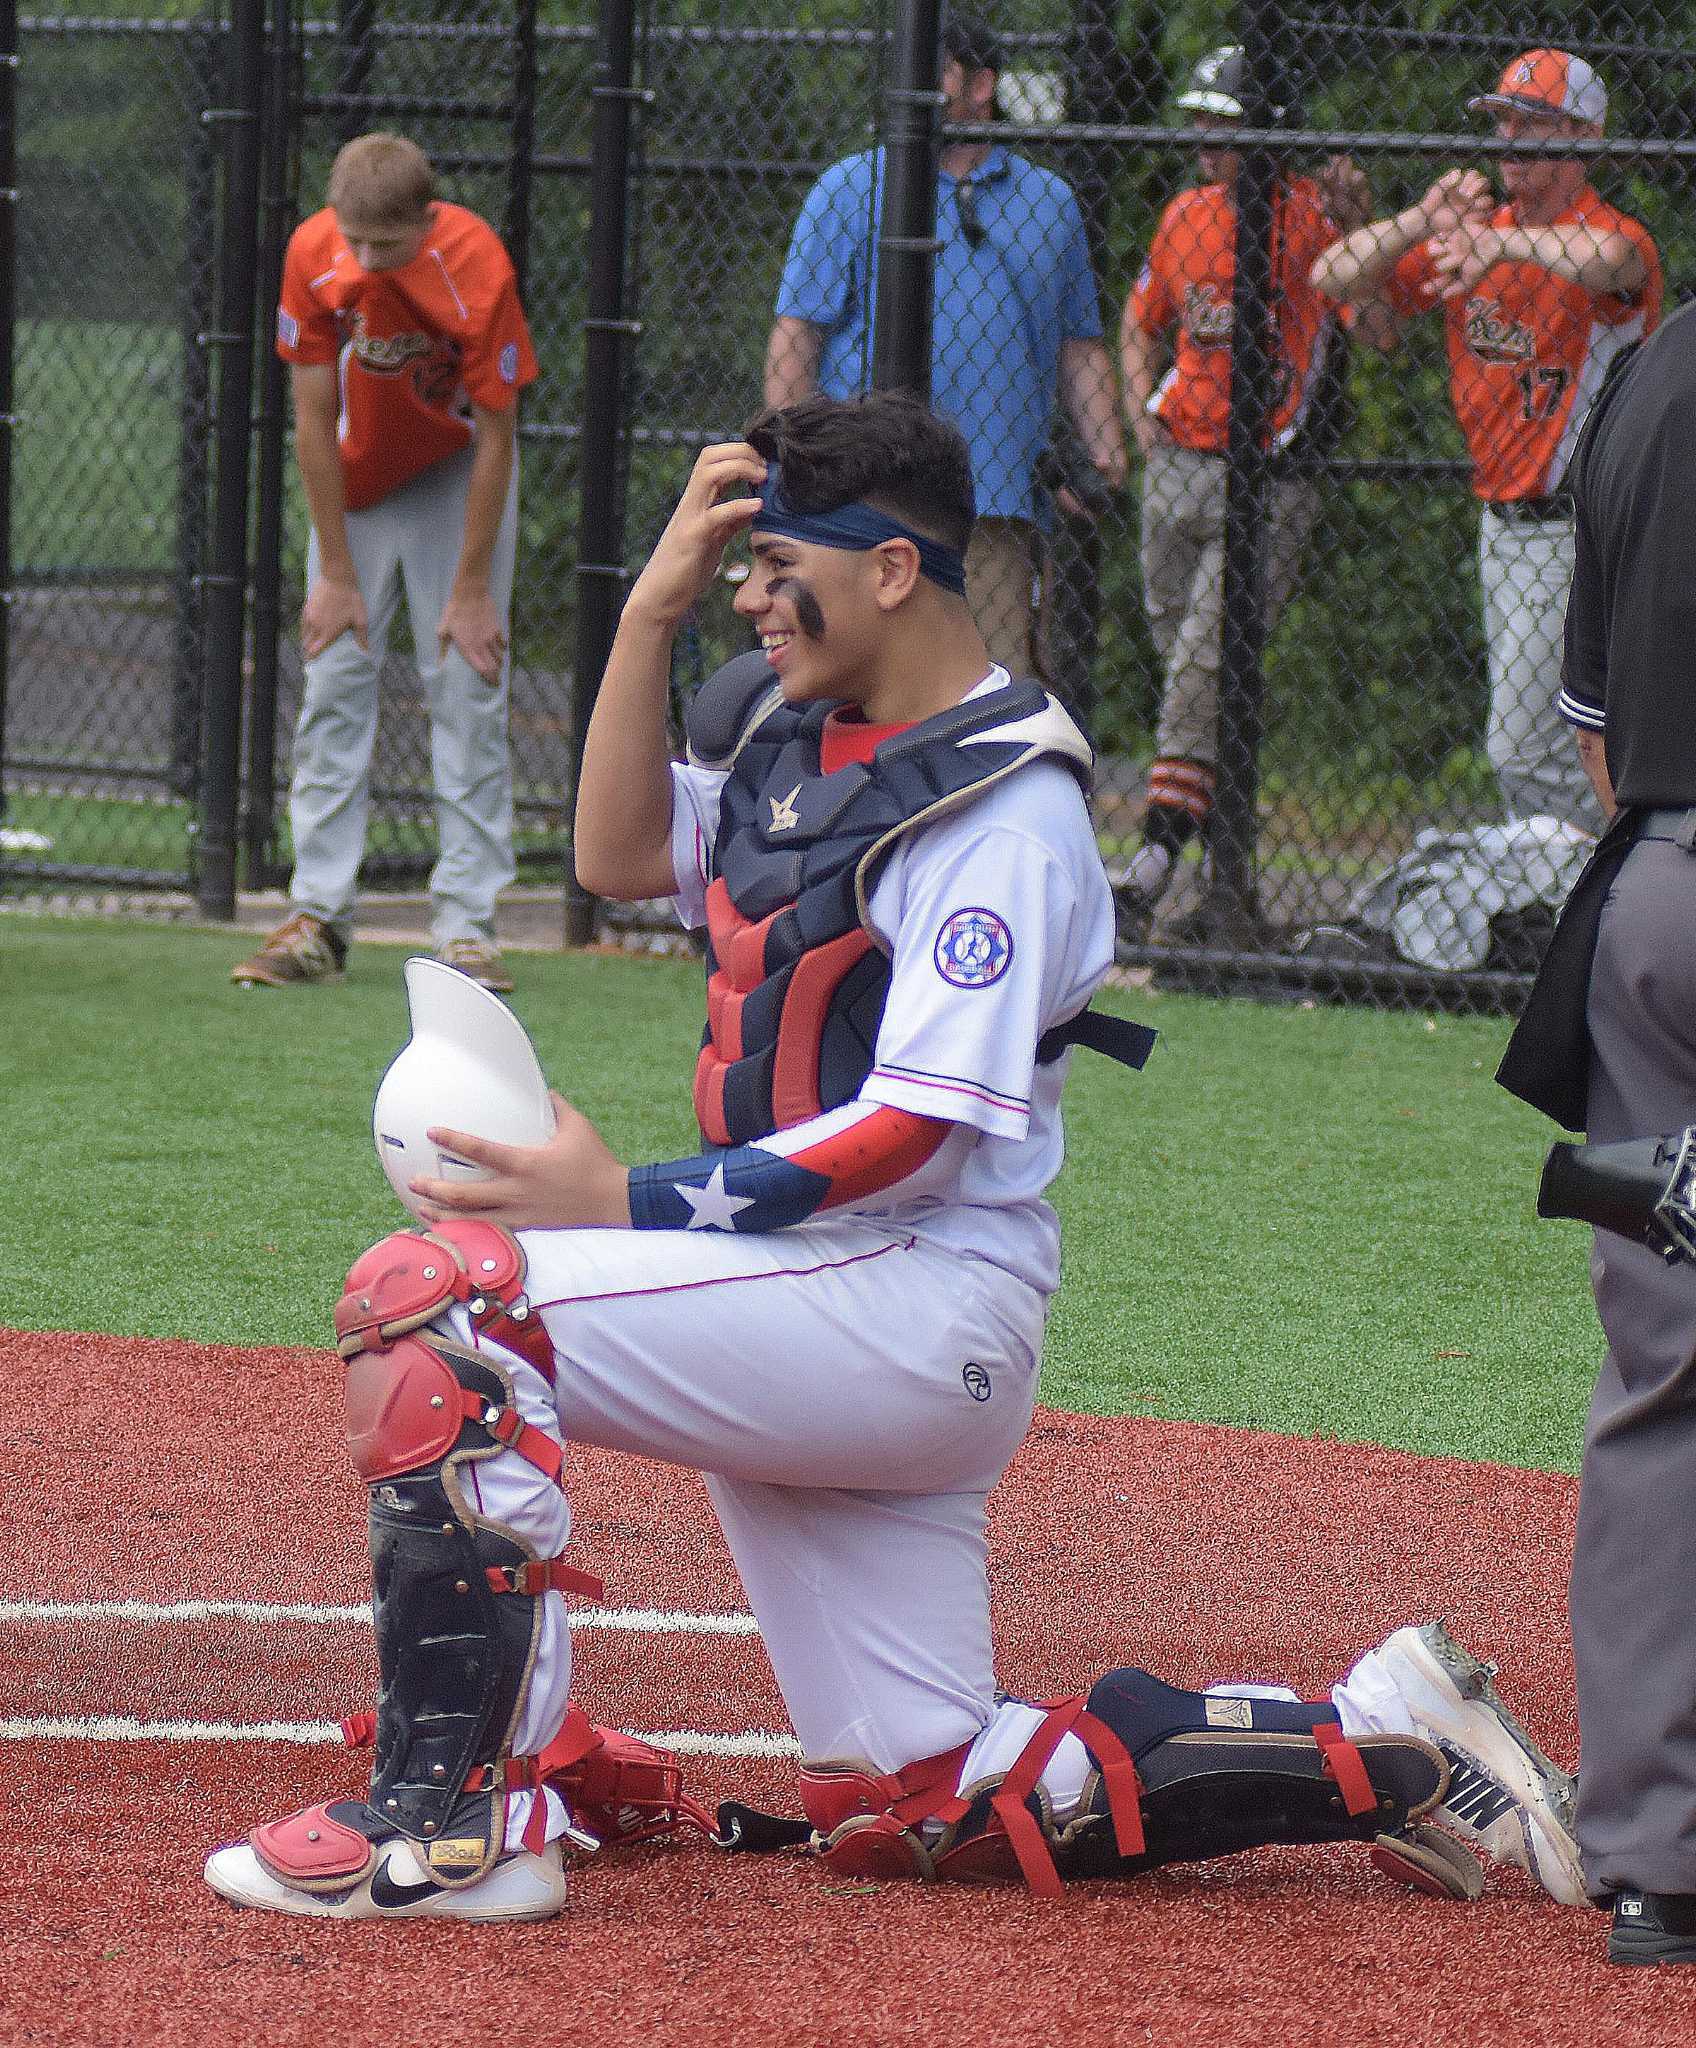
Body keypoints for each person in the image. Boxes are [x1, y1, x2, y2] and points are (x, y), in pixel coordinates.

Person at [204, 393, 1579, 1922]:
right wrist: (648, 614)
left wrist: (623, 1202)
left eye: (773, 562)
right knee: (924, 1796)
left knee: (442, 1306)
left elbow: (913, 1126)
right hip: (811, 1297)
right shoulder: (789, 734)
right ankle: (1389, 1732)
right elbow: (608, 856)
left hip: (918, 1300)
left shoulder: (1006, 806)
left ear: (893, 572)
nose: (745, 593)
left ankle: (454, 1829)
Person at [1496, 301, 1696, 1964]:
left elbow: (1594, 728)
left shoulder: (1647, 370)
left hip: (1654, 903)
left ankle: (1655, 1856)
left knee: (1665, 1376)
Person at [1311, 49, 1661, 841]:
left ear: (1582, 136)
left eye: (1530, 122)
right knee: (1552, 751)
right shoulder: (1473, 236)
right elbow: (1332, 278)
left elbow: (1619, 263)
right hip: (1500, 525)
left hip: (1576, 525)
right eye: (1500, 119)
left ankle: (1625, 878)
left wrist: (1497, 246)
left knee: (1522, 753)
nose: (1507, 137)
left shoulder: (1595, 232)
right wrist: (1419, 223)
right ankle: (1564, 915)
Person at [232, 132, 538, 996]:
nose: (365, 258)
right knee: (333, 681)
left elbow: (498, 437)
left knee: (466, 681)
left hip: (453, 479)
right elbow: (311, 416)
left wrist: (473, 588)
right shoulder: (313, 251)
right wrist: (334, 571)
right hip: (356, 485)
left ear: (425, 218)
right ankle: (317, 916)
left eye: (386, 244)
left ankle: (468, 930)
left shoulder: (474, 261)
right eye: (353, 238)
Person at [1112, 46, 1387, 940]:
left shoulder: (1310, 218)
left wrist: (1363, 224)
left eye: (1223, 124)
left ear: (1267, 131)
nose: (1204, 139)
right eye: (1198, 120)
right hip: (1178, 457)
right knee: (1182, 663)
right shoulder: (1186, 212)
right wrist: (1135, 405)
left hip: (1268, 469)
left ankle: (1152, 864)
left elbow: (1373, 325)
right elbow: (1141, 316)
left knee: (1202, 664)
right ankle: (1207, 843)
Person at [764, 13, 1126, 675]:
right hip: (863, 496)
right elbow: (796, 339)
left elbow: (1080, 345)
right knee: (853, 675)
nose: (912, 84)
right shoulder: (849, 189)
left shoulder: (1050, 203)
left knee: (988, 684)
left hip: (993, 500)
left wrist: (1102, 450)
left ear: (981, 85)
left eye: (933, 71)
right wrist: (793, 463)